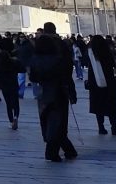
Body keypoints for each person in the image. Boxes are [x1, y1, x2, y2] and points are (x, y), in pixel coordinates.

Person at [27, 27, 78, 162]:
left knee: (48, 121)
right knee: (58, 123)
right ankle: (54, 152)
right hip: (58, 92)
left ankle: (67, 150)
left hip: (43, 94)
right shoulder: (58, 58)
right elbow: (66, 76)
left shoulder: (35, 59)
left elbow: (32, 77)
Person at [83, 35, 116, 136]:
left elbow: (91, 71)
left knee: (98, 106)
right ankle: (114, 127)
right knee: (111, 105)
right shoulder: (108, 54)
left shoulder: (92, 55)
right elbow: (114, 66)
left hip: (96, 83)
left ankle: (101, 127)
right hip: (109, 82)